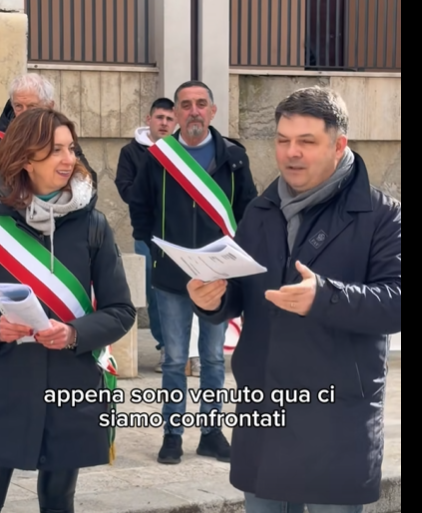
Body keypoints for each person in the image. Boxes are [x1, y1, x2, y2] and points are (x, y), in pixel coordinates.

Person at [188, 86, 401, 512]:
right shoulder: (260, 210)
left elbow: (394, 301)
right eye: (283, 140)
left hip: (335, 421)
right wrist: (211, 299)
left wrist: (325, 297)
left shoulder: (382, 216)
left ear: (339, 145)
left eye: (307, 141)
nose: (291, 153)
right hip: (265, 413)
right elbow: (242, 291)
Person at [0, 108, 136, 513]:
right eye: (55, 150)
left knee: (58, 500)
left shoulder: (93, 225)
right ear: (25, 158)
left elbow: (121, 310)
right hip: (3, 385)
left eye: (71, 148)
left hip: (69, 387)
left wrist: (74, 333)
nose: (68, 159)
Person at [130, 80, 258, 465]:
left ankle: (211, 432)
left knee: (214, 357)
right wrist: (156, 249)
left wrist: (235, 260)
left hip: (217, 276)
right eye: (185, 105)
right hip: (172, 275)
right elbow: (140, 207)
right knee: (173, 358)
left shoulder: (234, 157)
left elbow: (248, 209)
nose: (194, 111)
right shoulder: (158, 158)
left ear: (212, 111)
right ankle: (172, 435)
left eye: (201, 104)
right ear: (176, 113)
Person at [115, 98, 177, 373]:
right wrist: (158, 197)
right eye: (159, 117)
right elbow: (126, 189)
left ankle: (188, 350)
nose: (164, 123)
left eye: (169, 119)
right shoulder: (131, 153)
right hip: (147, 236)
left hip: (181, 236)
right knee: (155, 293)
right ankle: (166, 348)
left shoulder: (182, 151)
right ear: (148, 119)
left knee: (186, 291)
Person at [0, 73, 97, 188]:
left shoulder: (62, 137)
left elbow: (88, 181)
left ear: (49, 106)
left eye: (32, 106)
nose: (24, 113)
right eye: (18, 106)